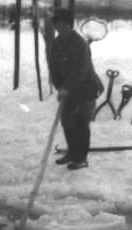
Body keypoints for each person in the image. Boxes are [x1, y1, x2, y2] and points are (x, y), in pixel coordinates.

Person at [49, 9, 103, 170]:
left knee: (80, 125)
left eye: (62, 25)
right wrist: (60, 87)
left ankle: (81, 158)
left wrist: (68, 88)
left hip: (85, 89)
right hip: (68, 90)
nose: (59, 28)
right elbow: (53, 67)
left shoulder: (79, 43)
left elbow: (81, 70)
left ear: (69, 25)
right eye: (56, 25)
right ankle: (72, 153)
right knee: (67, 122)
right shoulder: (57, 43)